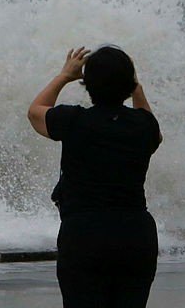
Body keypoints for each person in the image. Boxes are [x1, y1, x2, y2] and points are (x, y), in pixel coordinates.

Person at [28, 46, 162, 308]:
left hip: (84, 234)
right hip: (135, 234)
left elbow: (36, 111)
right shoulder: (143, 127)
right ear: (130, 82)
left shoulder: (74, 120)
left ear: (86, 84)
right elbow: (151, 128)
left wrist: (65, 75)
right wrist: (134, 85)